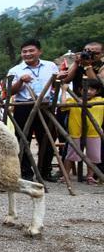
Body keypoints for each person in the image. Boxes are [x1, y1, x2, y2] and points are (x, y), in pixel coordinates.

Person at [7, 39, 60, 181]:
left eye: (31, 51)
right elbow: (9, 91)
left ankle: (45, 172)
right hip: (23, 106)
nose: (27, 54)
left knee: (47, 139)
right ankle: (25, 172)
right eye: (24, 52)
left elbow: (56, 84)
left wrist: (61, 78)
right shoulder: (15, 70)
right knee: (23, 139)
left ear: (39, 51)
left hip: (45, 106)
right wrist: (20, 82)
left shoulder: (51, 66)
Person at [60, 79, 103, 185]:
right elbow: (62, 105)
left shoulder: (100, 100)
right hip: (75, 131)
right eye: (85, 89)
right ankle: (66, 175)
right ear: (79, 90)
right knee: (71, 155)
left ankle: (90, 176)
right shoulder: (74, 101)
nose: (88, 91)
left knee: (93, 156)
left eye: (92, 89)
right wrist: (64, 91)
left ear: (97, 91)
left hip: (94, 132)